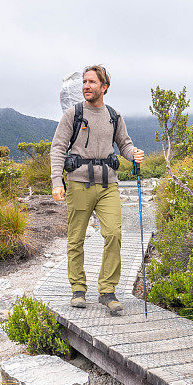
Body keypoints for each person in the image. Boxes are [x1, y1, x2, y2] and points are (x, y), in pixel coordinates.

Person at [50, 65, 145, 316]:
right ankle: (78, 289)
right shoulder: (73, 114)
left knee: (114, 233)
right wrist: (57, 182)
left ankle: (107, 291)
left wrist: (133, 153)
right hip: (78, 183)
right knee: (76, 238)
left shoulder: (114, 116)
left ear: (104, 87)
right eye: (84, 82)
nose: (86, 86)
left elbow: (124, 143)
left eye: (92, 82)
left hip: (108, 184)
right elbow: (58, 148)